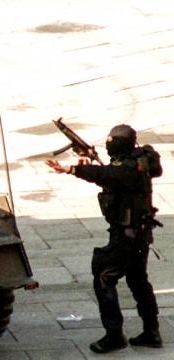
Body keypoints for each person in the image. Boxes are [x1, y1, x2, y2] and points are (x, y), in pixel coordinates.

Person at [45, 124, 163, 353]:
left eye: (112, 141)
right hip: (139, 235)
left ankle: (114, 335)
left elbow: (106, 175)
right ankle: (152, 331)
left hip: (127, 237)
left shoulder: (127, 170)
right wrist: (84, 160)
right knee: (138, 280)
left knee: (104, 277)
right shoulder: (138, 161)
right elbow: (109, 174)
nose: (108, 143)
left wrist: (71, 169)